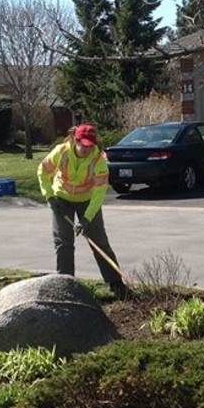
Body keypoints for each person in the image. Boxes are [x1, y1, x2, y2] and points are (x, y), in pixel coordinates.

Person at [37, 124, 130, 299]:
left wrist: (86, 219)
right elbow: (43, 172)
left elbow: (99, 193)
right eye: (84, 144)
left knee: (99, 242)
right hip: (61, 200)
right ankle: (65, 285)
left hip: (88, 202)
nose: (87, 149)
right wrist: (49, 197)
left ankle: (116, 284)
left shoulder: (99, 160)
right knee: (63, 243)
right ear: (75, 140)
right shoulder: (61, 152)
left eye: (91, 145)